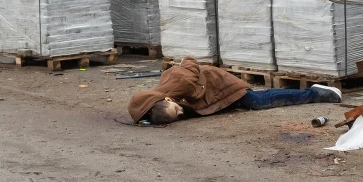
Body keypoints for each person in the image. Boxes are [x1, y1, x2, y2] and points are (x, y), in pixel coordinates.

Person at [127, 55, 342, 125]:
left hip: (220, 86)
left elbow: (189, 62)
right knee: (258, 102)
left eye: (176, 109)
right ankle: (314, 93)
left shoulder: (176, 82)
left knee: (260, 101)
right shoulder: (156, 104)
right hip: (216, 99)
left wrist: (199, 90)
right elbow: (141, 111)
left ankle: (315, 92)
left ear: (167, 98)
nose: (180, 112)